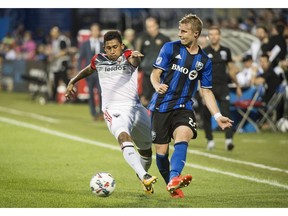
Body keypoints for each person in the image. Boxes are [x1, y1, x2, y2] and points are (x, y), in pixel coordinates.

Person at [148, 14, 233, 198]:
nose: (180, 34)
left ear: (196, 33)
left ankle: (174, 177)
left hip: (183, 106)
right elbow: (155, 74)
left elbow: (206, 91)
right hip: (161, 106)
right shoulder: (170, 48)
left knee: (184, 134)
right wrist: (157, 85)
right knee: (161, 154)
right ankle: (171, 184)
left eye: (184, 31)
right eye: (179, 30)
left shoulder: (204, 61)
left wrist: (217, 116)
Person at [65, 30, 158, 195]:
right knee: (123, 135)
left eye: (115, 47)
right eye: (108, 48)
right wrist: (73, 81)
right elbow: (88, 69)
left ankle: (143, 177)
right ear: (104, 48)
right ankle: (145, 176)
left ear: (122, 46)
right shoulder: (98, 59)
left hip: (135, 108)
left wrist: (136, 56)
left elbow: (134, 60)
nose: (112, 50)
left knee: (146, 149)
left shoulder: (128, 55)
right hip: (113, 109)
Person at [200, 25, 241, 151]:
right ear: (208, 37)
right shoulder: (204, 51)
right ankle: (210, 140)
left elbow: (231, 69)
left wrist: (237, 85)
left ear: (219, 36)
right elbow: (199, 72)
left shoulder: (226, 51)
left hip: (223, 86)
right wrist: (201, 90)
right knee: (206, 114)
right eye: (211, 34)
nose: (213, 36)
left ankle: (229, 140)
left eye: (215, 34)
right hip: (208, 88)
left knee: (226, 112)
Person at [135, 16, 170, 107]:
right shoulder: (142, 39)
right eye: (148, 27)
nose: (150, 29)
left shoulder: (165, 39)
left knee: (159, 98)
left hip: (160, 75)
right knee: (144, 99)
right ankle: (146, 120)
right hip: (146, 74)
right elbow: (138, 55)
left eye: (152, 26)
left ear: (157, 26)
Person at [78, 23, 104, 121]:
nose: (95, 32)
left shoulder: (103, 45)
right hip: (89, 73)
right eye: (93, 30)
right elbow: (81, 58)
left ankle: (101, 113)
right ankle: (94, 114)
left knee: (101, 93)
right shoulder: (85, 44)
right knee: (91, 93)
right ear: (91, 32)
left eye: (97, 30)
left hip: (101, 73)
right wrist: (80, 71)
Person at [47, 25, 71, 102]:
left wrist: (54, 57)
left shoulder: (62, 40)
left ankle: (70, 97)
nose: (52, 34)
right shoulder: (54, 40)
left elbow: (64, 51)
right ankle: (53, 98)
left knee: (65, 80)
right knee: (55, 81)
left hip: (62, 62)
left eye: (53, 32)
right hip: (56, 64)